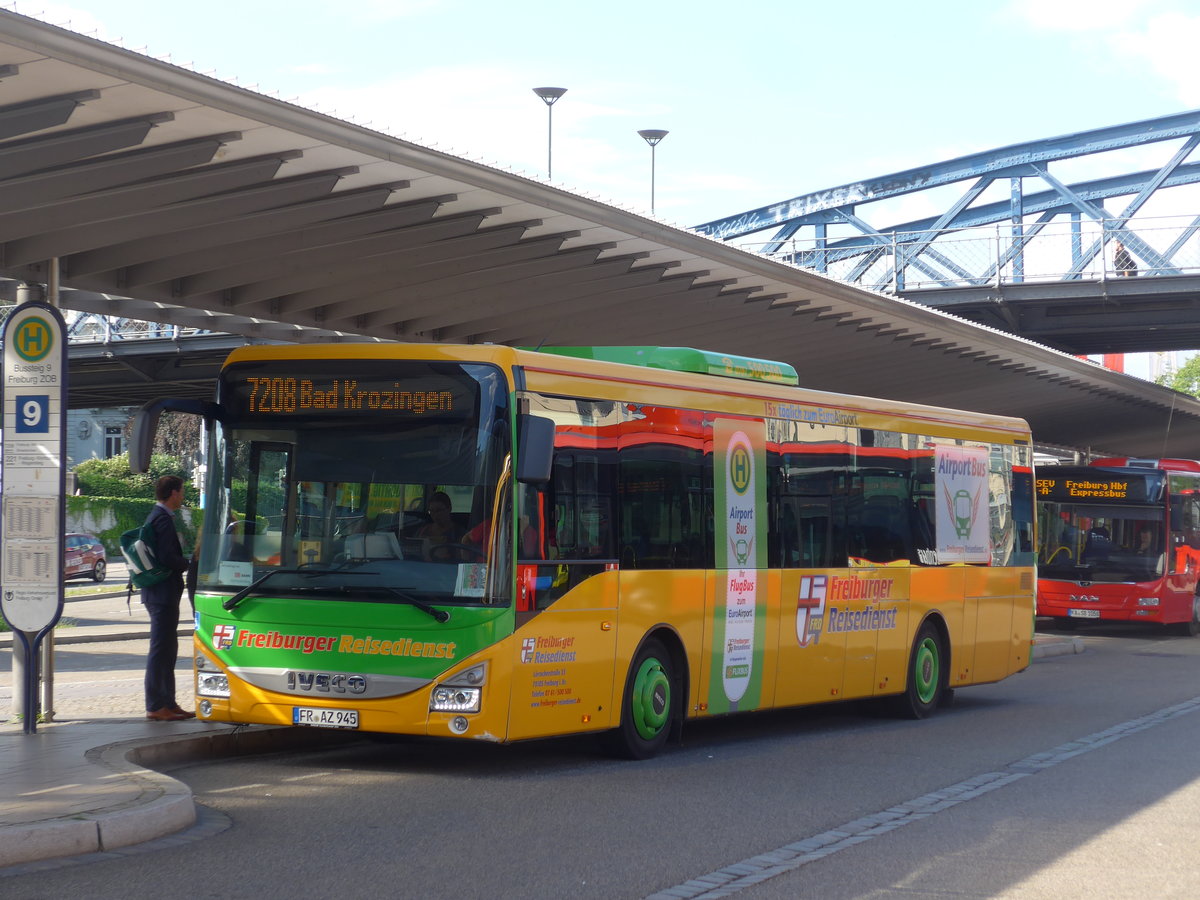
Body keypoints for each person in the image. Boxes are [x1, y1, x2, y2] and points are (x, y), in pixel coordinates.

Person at [142, 475, 194, 721]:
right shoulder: (161, 519)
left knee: (168, 648)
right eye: (182, 490)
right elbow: (166, 557)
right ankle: (155, 705)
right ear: (173, 493)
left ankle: (169, 702)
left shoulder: (160, 517)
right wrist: (189, 563)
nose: (183, 495)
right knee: (160, 649)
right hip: (161, 594)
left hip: (162, 593)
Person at [418, 491, 464, 558]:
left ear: (449, 509)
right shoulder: (423, 530)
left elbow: (463, 557)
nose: (435, 515)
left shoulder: (460, 534)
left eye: (439, 510)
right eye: (431, 511)